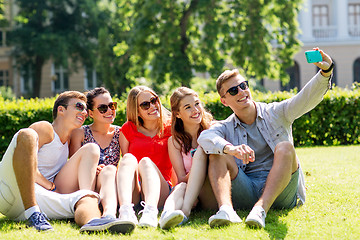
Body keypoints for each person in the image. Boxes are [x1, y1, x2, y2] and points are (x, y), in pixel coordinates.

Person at [197, 48, 334, 228]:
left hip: (282, 191)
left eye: (243, 85)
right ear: (224, 101)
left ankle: (261, 210)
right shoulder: (225, 127)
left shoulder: (276, 112)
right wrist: (230, 149)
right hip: (247, 189)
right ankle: (226, 210)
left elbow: (305, 99)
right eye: (232, 91)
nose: (241, 92)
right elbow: (205, 138)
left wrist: (326, 72)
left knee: (285, 147)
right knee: (216, 153)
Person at [0, 91, 127, 234]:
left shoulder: (69, 140)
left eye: (85, 109)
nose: (84, 112)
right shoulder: (45, 129)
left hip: (41, 197)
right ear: (61, 110)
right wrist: (51, 186)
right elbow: (25, 161)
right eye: (79, 106)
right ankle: (33, 213)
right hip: (10, 187)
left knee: (85, 194)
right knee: (27, 135)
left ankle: (95, 222)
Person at [69, 87, 136, 232]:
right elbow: (75, 165)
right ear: (91, 113)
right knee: (108, 170)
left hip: (110, 183)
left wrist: (107, 170)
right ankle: (99, 211)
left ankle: (109, 215)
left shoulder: (120, 132)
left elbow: (125, 165)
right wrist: (94, 168)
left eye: (112, 106)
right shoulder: (80, 133)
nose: (110, 111)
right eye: (103, 108)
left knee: (110, 169)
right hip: (87, 186)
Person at [159, 87, 217, 229]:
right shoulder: (174, 142)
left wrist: (199, 166)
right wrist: (194, 174)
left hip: (212, 190)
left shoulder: (214, 129)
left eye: (197, 104)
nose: (195, 110)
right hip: (191, 193)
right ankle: (167, 214)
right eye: (188, 107)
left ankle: (185, 211)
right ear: (177, 114)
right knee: (181, 186)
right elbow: (180, 178)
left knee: (201, 152)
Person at [116, 86, 173, 228]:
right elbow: (125, 165)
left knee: (146, 162)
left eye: (154, 100)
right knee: (128, 158)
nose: (153, 106)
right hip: (136, 191)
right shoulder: (128, 129)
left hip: (162, 189)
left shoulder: (171, 127)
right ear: (137, 111)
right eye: (145, 105)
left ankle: (150, 212)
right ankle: (125, 210)